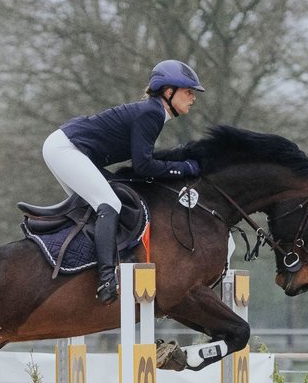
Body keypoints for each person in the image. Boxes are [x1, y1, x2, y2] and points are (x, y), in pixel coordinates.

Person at [42, 59, 205, 304]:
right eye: (188, 92)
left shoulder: (153, 112)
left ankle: (89, 266)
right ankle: (106, 278)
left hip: (67, 148)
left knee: (106, 203)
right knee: (110, 204)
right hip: (66, 149)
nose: (193, 98)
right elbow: (144, 166)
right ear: (168, 91)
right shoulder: (152, 113)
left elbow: (143, 164)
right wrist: (185, 168)